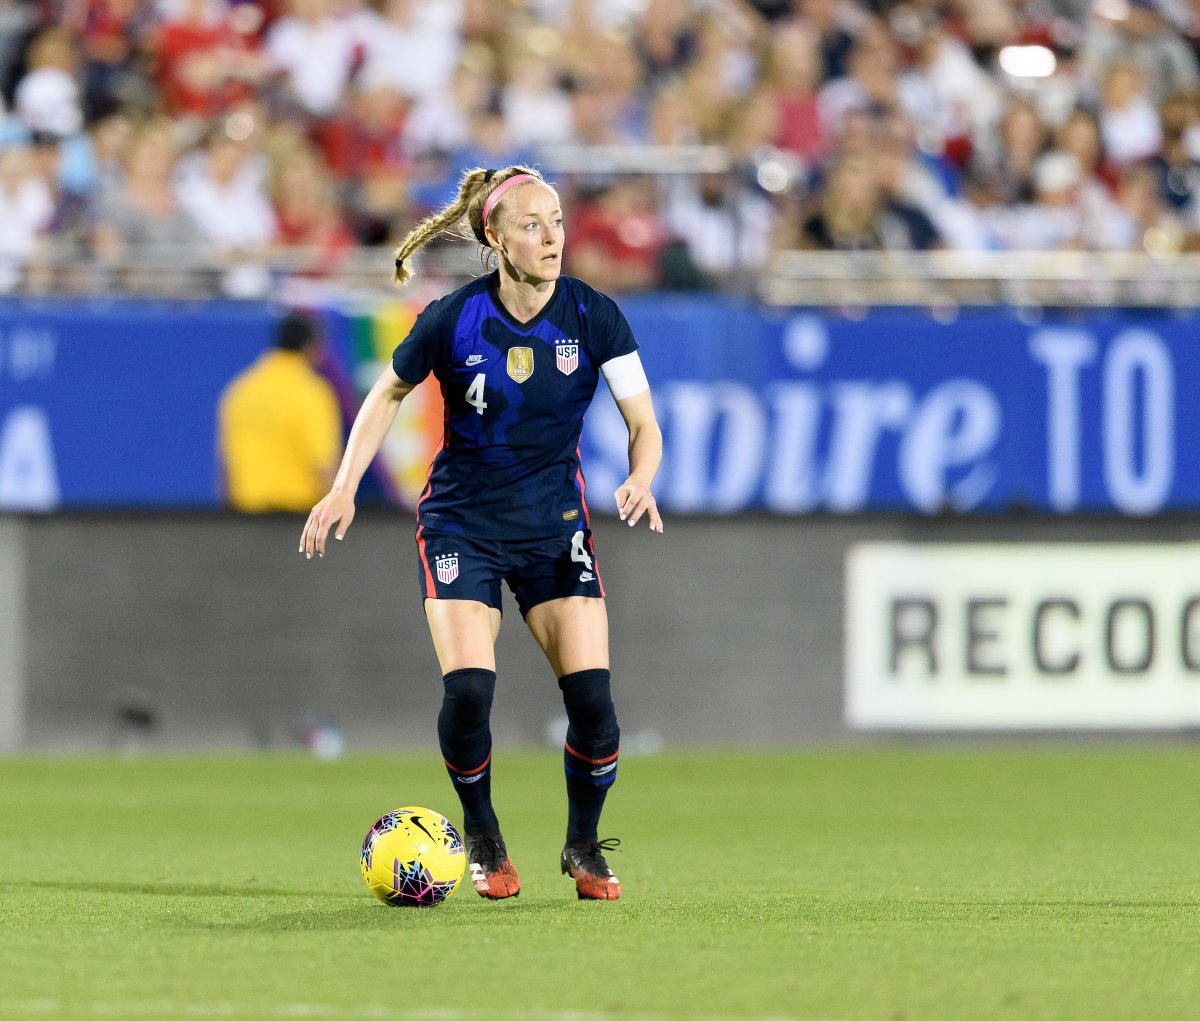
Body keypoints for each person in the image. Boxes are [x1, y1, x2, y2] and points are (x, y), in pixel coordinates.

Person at [299, 165, 663, 902]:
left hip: (553, 526)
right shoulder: (453, 317)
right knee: (469, 691)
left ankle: (583, 844)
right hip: (463, 521)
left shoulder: (596, 316)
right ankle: (485, 835)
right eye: (532, 224)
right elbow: (386, 393)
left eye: (557, 220)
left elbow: (643, 422)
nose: (552, 236)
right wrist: (343, 485)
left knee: (595, 706)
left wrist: (641, 474)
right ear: (496, 238)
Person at [219, 311, 341, 512]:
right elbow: (323, 463)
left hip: (245, 516)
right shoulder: (310, 392)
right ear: (310, 346)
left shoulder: (241, 390)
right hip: (296, 517)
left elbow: (226, 466)